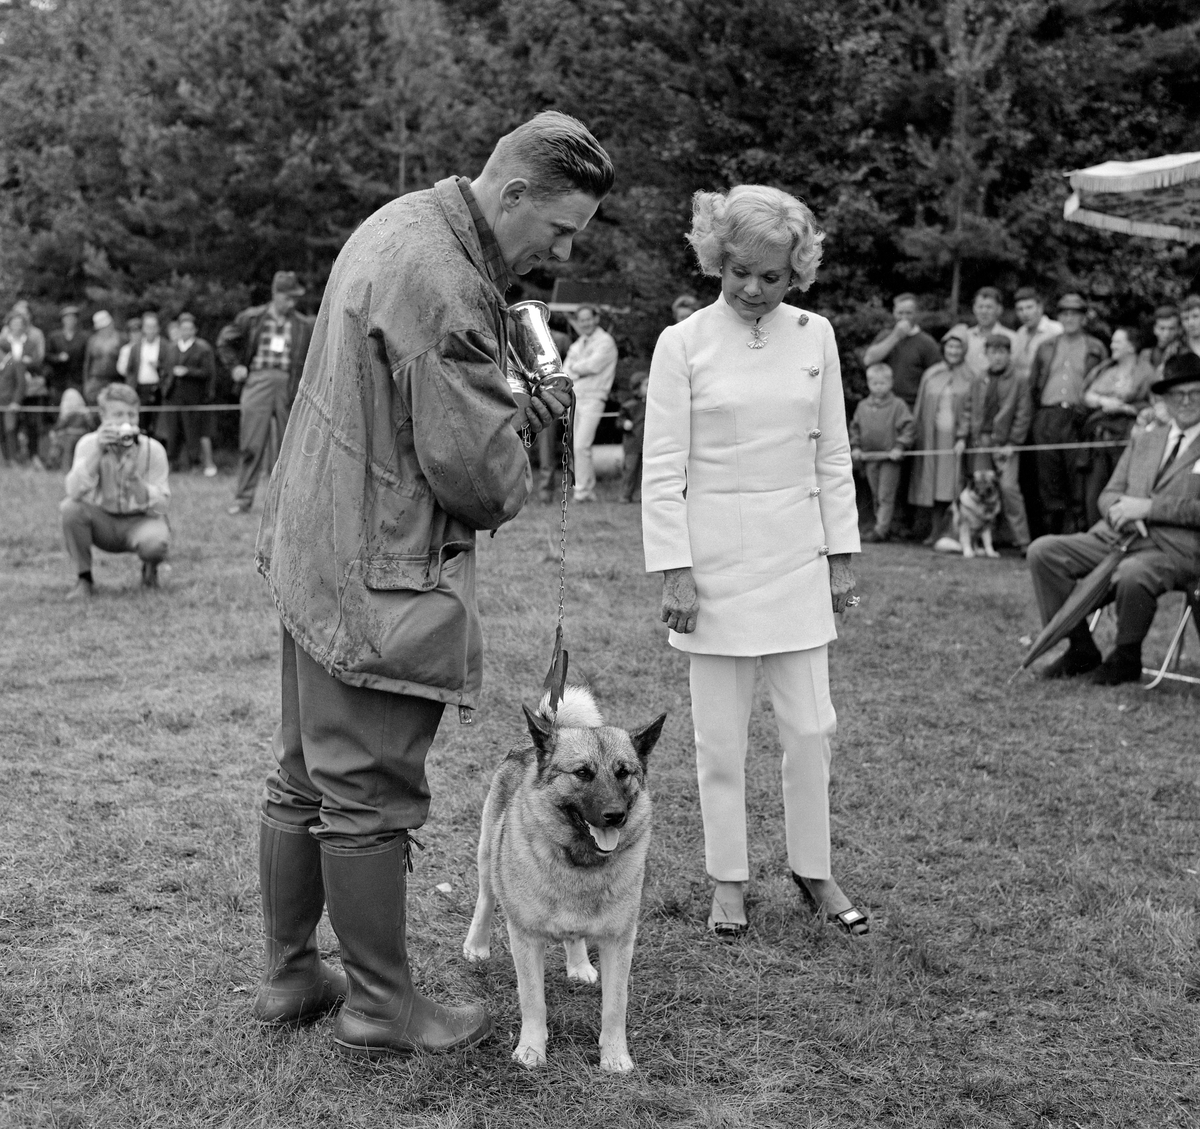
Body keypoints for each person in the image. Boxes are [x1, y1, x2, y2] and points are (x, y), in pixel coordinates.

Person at [250, 110, 610, 1058]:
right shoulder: (447, 285)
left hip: (318, 546)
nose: (564, 252)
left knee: (305, 777)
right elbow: (481, 481)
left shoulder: (403, 219)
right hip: (380, 572)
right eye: (562, 228)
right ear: (515, 191)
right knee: (367, 790)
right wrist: (532, 413)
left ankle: (294, 972)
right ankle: (380, 1003)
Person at [642, 184, 866, 941]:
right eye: (741, 271)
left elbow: (833, 453)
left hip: (798, 556)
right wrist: (675, 567)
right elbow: (661, 465)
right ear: (716, 257)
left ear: (796, 269)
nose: (754, 289)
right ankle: (728, 878)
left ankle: (813, 866)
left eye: (773, 276)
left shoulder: (818, 336)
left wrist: (841, 555)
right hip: (714, 566)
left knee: (811, 728)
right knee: (720, 737)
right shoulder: (684, 344)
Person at [1027, 352, 1200, 685]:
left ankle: (1126, 657)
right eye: (1178, 394)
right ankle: (1080, 647)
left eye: (1195, 392)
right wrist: (1118, 509)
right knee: (1043, 551)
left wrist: (1150, 508)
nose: (1187, 400)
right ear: (1164, 398)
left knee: (1133, 572)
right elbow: (1108, 493)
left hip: (1175, 548)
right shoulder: (1146, 440)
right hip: (1117, 536)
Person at [60, 382, 170, 599]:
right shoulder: (88, 444)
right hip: (103, 521)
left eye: (132, 415)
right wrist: (98, 453)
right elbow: (73, 492)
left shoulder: (153, 449)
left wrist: (135, 479)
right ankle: (84, 578)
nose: (126, 422)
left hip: (140, 521)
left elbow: (162, 506)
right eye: (118, 415)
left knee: (156, 542)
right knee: (69, 509)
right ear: (103, 415)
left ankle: (150, 570)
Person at [217, 271, 314, 515]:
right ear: (276, 294)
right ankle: (242, 499)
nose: (292, 303)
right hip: (257, 381)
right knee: (251, 443)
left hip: (289, 386)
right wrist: (235, 366)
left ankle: (285, 502)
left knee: (287, 445)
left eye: (295, 299)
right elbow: (225, 341)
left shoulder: (303, 324)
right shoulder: (252, 318)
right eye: (288, 298)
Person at [1029, 294, 1108, 535]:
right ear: (1059, 317)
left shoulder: (1095, 347)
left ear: (1084, 318)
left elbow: (1104, 381)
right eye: (1065, 313)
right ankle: (1048, 536)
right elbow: (1033, 385)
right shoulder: (1046, 346)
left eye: (1075, 314)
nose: (1069, 318)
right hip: (1048, 416)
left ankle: (1075, 535)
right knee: (1048, 480)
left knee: (1077, 479)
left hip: (1078, 418)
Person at [908, 328, 978, 546]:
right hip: (931, 438)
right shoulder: (932, 374)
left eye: (958, 347)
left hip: (954, 440)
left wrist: (962, 437)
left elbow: (970, 410)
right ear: (944, 348)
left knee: (950, 485)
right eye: (950, 346)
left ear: (964, 350)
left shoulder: (970, 377)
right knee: (932, 484)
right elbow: (921, 406)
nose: (954, 351)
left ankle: (952, 532)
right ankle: (933, 531)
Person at [1079, 326, 1154, 528]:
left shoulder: (1146, 372)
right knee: (1095, 487)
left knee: (1124, 485)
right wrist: (1104, 402)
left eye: (1117, 342)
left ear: (1131, 346)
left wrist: (1128, 408)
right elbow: (1087, 394)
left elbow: (1154, 403)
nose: (1112, 346)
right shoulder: (1106, 369)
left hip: (1128, 438)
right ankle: (1096, 531)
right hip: (1100, 437)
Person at [974, 334, 1033, 551]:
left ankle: (1023, 540)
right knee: (980, 488)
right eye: (992, 352)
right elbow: (971, 408)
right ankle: (979, 539)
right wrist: (968, 436)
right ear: (986, 354)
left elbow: (1023, 413)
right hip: (981, 441)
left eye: (1001, 352)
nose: (997, 357)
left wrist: (1013, 443)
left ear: (1009, 354)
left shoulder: (1019, 380)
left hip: (1005, 443)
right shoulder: (979, 377)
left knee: (1009, 488)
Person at [849, 362, 915, 542]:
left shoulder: (898, 405)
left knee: (886, 495)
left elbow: (909, 427)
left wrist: (899, 447)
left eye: (882, 383)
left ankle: (880, 530)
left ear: (891, 383)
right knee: (876, 494)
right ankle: (882, 527)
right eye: (874, 383)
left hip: (889, 459)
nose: (878, 387)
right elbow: (854, 428)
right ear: (869, 384)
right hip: (870, 458)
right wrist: (855, 448)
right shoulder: (863, 406)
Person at [562, 303, 618, 502]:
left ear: (596, 319)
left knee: (581, 445)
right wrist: (578, 368)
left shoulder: (606, 341)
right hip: (576, 397)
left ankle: (583, 492)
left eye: (588, 319)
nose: (585, 323)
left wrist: (576, 367)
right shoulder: (577, 344)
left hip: (594, 397)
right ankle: (585, 490)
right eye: (581, 320)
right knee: (575, 445)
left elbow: (593, 366)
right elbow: (565, 370)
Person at [157, 312, 218, 475]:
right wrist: (165, 388)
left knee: (193, 433)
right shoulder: (171, 348)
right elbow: (164, 370)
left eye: (189, 328)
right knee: (172, 432)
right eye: (183, 328)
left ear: (195, 330)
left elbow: (209, 372)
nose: (186, 332)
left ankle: (195, 464)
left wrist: (188, 372)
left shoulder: (202, 348)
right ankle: (172, 463)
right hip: (173, 397)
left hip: (193, 397)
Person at [862, 292, 942, 408]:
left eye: (908, 313)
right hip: (883, 403)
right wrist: (896, 336)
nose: (904, 317)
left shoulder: (927, 342)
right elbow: (868, 360)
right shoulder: (885, 335)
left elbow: (937, 377)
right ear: (894, 313)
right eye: (900, 313)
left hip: (911, 405)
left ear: (917, 314)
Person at [1, 307, 47, 466]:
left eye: (20, 323)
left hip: (29, 387)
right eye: (14, 323)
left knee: (31, 423)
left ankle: (32, 455)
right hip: (7, 388)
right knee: (9, 427)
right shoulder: (3, 341)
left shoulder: (31, 341)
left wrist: (27, 363)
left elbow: (38, 361)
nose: (17, 326)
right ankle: (10, 457)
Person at [120, 311, 168, 433]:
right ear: (143, 329)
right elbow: (129, 370)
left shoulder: (165, 345)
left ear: (158, 328)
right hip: (140, 389)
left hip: (158, 390)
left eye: (153, 327)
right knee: (140, 424)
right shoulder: (136, 347)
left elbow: (169, 369)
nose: (150, 330)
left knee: (157, 426)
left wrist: (159, 366)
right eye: (147, 327)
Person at [1011, 287, 1062, 384]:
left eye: (1029, 307)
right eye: (1020, 309)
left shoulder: (1056, 330)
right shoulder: (1020, 333)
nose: (1025, 313)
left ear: (1040, 308)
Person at [617, 369, 649, 503]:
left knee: (645, 472)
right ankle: (626, 495)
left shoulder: (652, 405)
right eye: (646, 384)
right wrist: (625, 423)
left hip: (647, 444)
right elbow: (619, 421)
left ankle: (643, 496)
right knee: (630, 471)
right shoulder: (629, 405)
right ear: (637, 387)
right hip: (632, 444)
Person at [47, 306, 88, 399]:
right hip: (58, 379)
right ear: (62, 320)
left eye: (73, 318)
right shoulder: (54, 336)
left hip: (77, 379)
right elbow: (47, 356)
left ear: (76, 320)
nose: (70, 321)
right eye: (67, 318)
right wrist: (58, 358)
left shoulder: (84, 337)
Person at [82, 311, 123, 402]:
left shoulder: (121, 338)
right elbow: (87, 363)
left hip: (115, 379)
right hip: (96, 378)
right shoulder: (93, 340)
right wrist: (86, 383)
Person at [0, 338, 25, 465]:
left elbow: (21, 384)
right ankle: (6, 460)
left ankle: (13, 459)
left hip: (10, 404)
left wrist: (16, 401)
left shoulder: (15, 362)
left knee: (10, 431)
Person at [1141, 305, 1181, 373]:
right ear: (1155, 329)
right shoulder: (1146, 355)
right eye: (1162, 328)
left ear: (1178, 329)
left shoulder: (1185, 353)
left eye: (1171, 329)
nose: (1166, 334)